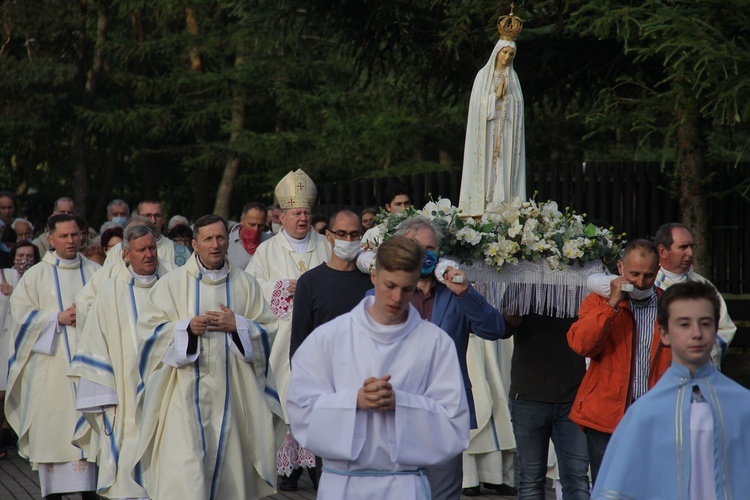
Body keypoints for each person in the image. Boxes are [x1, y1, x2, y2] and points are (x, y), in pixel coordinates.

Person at [287, 235, 470, 500]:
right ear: (374, 276)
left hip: (405, 486)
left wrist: (400, 402)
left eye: (407, 289)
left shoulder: (435, 342)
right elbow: (300, 410)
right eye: (390, 285)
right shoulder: (329, 337)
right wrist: (355, 401)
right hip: (343, 486)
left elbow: (454, 425)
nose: (397, 297)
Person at [134, 215, 283, 500]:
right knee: (188, 474)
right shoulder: (171, 284)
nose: (215, 245)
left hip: (235, 398)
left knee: (231, 472)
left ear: (228, 240)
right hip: (183, 395)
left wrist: (238, 325)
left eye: (221, 238)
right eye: (208, 239)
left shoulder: (246, 284)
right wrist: (185, 329)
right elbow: (148, 335)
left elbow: (269, 330)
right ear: (194, 244)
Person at [592, 281, 750, 499]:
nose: (696, 333)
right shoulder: (644, 414)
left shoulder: (743, 405)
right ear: (664, 333)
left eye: (705, 323)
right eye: (684, 324)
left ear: (716, 331)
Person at [390, 216, 507, 500]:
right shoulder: (384, 294)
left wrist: (465, 292)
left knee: (443, 494)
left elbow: (495, 329)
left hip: (445, 414)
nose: (424, 254)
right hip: (396, 412)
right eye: (416, 246)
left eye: (430, 247)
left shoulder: (455, 292)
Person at [246, 169, 331, 491]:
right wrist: (282, 287)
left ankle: (321, 465)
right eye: (297, 213)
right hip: (283, 339)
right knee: (283, 398)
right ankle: (287, 470)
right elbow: (252, 289)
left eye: (307, 212)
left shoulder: (326, 245)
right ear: (281, 216)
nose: (303, 218)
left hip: (320, 336)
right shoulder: (267, 250)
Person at [6, 214, 101, 499]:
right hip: (51, 373)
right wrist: (55, 318)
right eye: (64, 236)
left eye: (75, 235)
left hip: (89, 371)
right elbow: (21, 318)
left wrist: (84, 315)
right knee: (53, 439)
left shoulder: (97, 273)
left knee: (91, 451)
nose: (71, 240)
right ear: (51, 239)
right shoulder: (36, 275)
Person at [567, 239, 672, 483]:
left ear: (658, 272)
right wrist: (612, 305)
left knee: (652, 487)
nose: (640, 282)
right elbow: (581, 345)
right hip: (607, 413)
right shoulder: (598, 301)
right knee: (609, 487)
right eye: (634, 274)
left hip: (655, 414)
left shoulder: (670, 304)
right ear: (620, 267)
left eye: (648, 275)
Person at [68, 225, 159, 499]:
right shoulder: (111, 291)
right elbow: (96, 342)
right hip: (125, 393)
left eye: (152, 248)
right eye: (141, 250)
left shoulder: (173, 284)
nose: (149, 255)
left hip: (166, 393)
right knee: (128, 462)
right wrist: (104, 395)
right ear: (126, 255)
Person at [587, 222, 736, 368]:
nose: (690, 253)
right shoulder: (638, 283)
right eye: (683, 247)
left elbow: (724, 329)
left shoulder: (704, 288)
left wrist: (698, 355)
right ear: (663, 251)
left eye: (692, 246)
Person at [503, 310, 590, 500]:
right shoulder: (523, 282)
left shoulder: (582, 283)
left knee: (577, 479)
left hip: (574, 395)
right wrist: (513, 310)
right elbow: (504, 329)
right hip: (528, 395)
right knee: (531, 479)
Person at [459, 8, 526, 216]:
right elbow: (477, 107)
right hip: (487, 132)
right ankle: (483, 204)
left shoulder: (513, 78)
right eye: (504, 52)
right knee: (488, 169)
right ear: (497, 52)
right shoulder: (483, 76)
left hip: (505, 132)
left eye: (511, 54)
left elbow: (519, 109)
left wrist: (508, 100)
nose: (507, 57)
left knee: (504, 168)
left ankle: (505, 205)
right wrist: (495, 96)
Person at [290, 209, 373, 359]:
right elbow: (299, 341)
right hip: (324, 371)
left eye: (354, 234)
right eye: (341, 234)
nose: (348, 240)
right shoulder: (309, 282)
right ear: (329, 236)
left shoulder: (372, 280)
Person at [0, 241, 40, 459]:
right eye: (21, 255)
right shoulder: (7, 274)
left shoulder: (40, 277)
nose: (25, 259)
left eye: (30, 255)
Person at [226, 201, 272, 270]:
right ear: (242, 220)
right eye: (252, 225)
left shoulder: (271, 242)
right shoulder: (227, 243)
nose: (255, 229)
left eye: (260, 225)